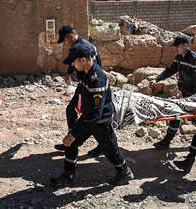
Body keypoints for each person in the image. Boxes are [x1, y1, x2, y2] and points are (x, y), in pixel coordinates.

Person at [50, 44, 134, 187]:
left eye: (74, 61)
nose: (72, 64)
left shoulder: (97, 79)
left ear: (83, 60)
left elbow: (96, 113)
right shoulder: (84, 73)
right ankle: (68, 176)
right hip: (88, 119)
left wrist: (74, 132)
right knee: (71, 144)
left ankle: (125, 172)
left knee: (111, 150)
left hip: (101, 122)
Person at [150, 34, 196, 150]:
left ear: (185, 45)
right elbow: (170, 70)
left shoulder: (194, 60)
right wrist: (156, 79)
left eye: (177, 46)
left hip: (193, 95)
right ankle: (167, 141)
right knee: (175, 115)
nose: (176, 49)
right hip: (184, 94)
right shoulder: (179, 57)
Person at [55, 25, 103, 157]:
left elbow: (94, 69)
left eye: (64, 41)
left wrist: (88, 88)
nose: (65, 44)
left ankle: (99, 145)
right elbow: (72, 62)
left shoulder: (84, 48)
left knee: (92, 116)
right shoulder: (77, 47)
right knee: (72, 111)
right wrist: (69, 74)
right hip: (84, 85)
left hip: (90, 86)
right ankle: (71, 140)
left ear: (70, 36)